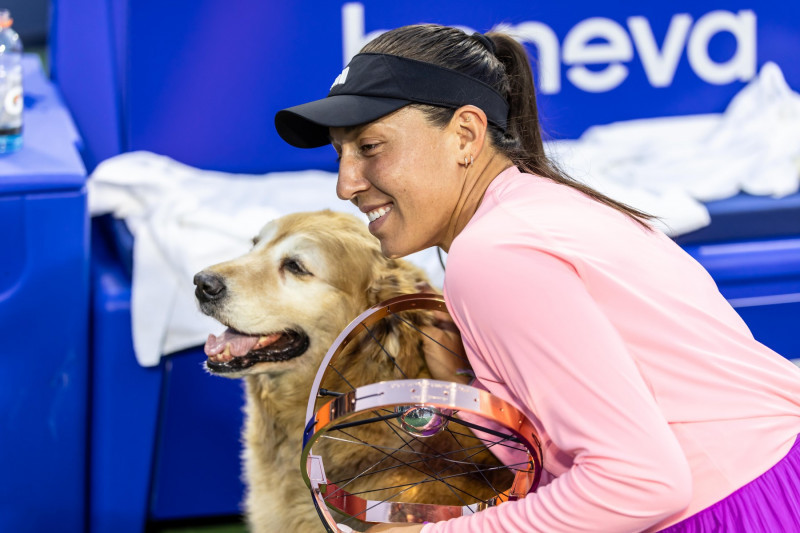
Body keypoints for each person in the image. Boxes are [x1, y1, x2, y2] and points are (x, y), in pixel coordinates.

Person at [274, 24, 800, 532]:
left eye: (369, 147)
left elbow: (640, 483)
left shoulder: (494, 253)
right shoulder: (548, 206)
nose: (346, 184)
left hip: (737, 508)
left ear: (466, 134)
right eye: (340, 152)